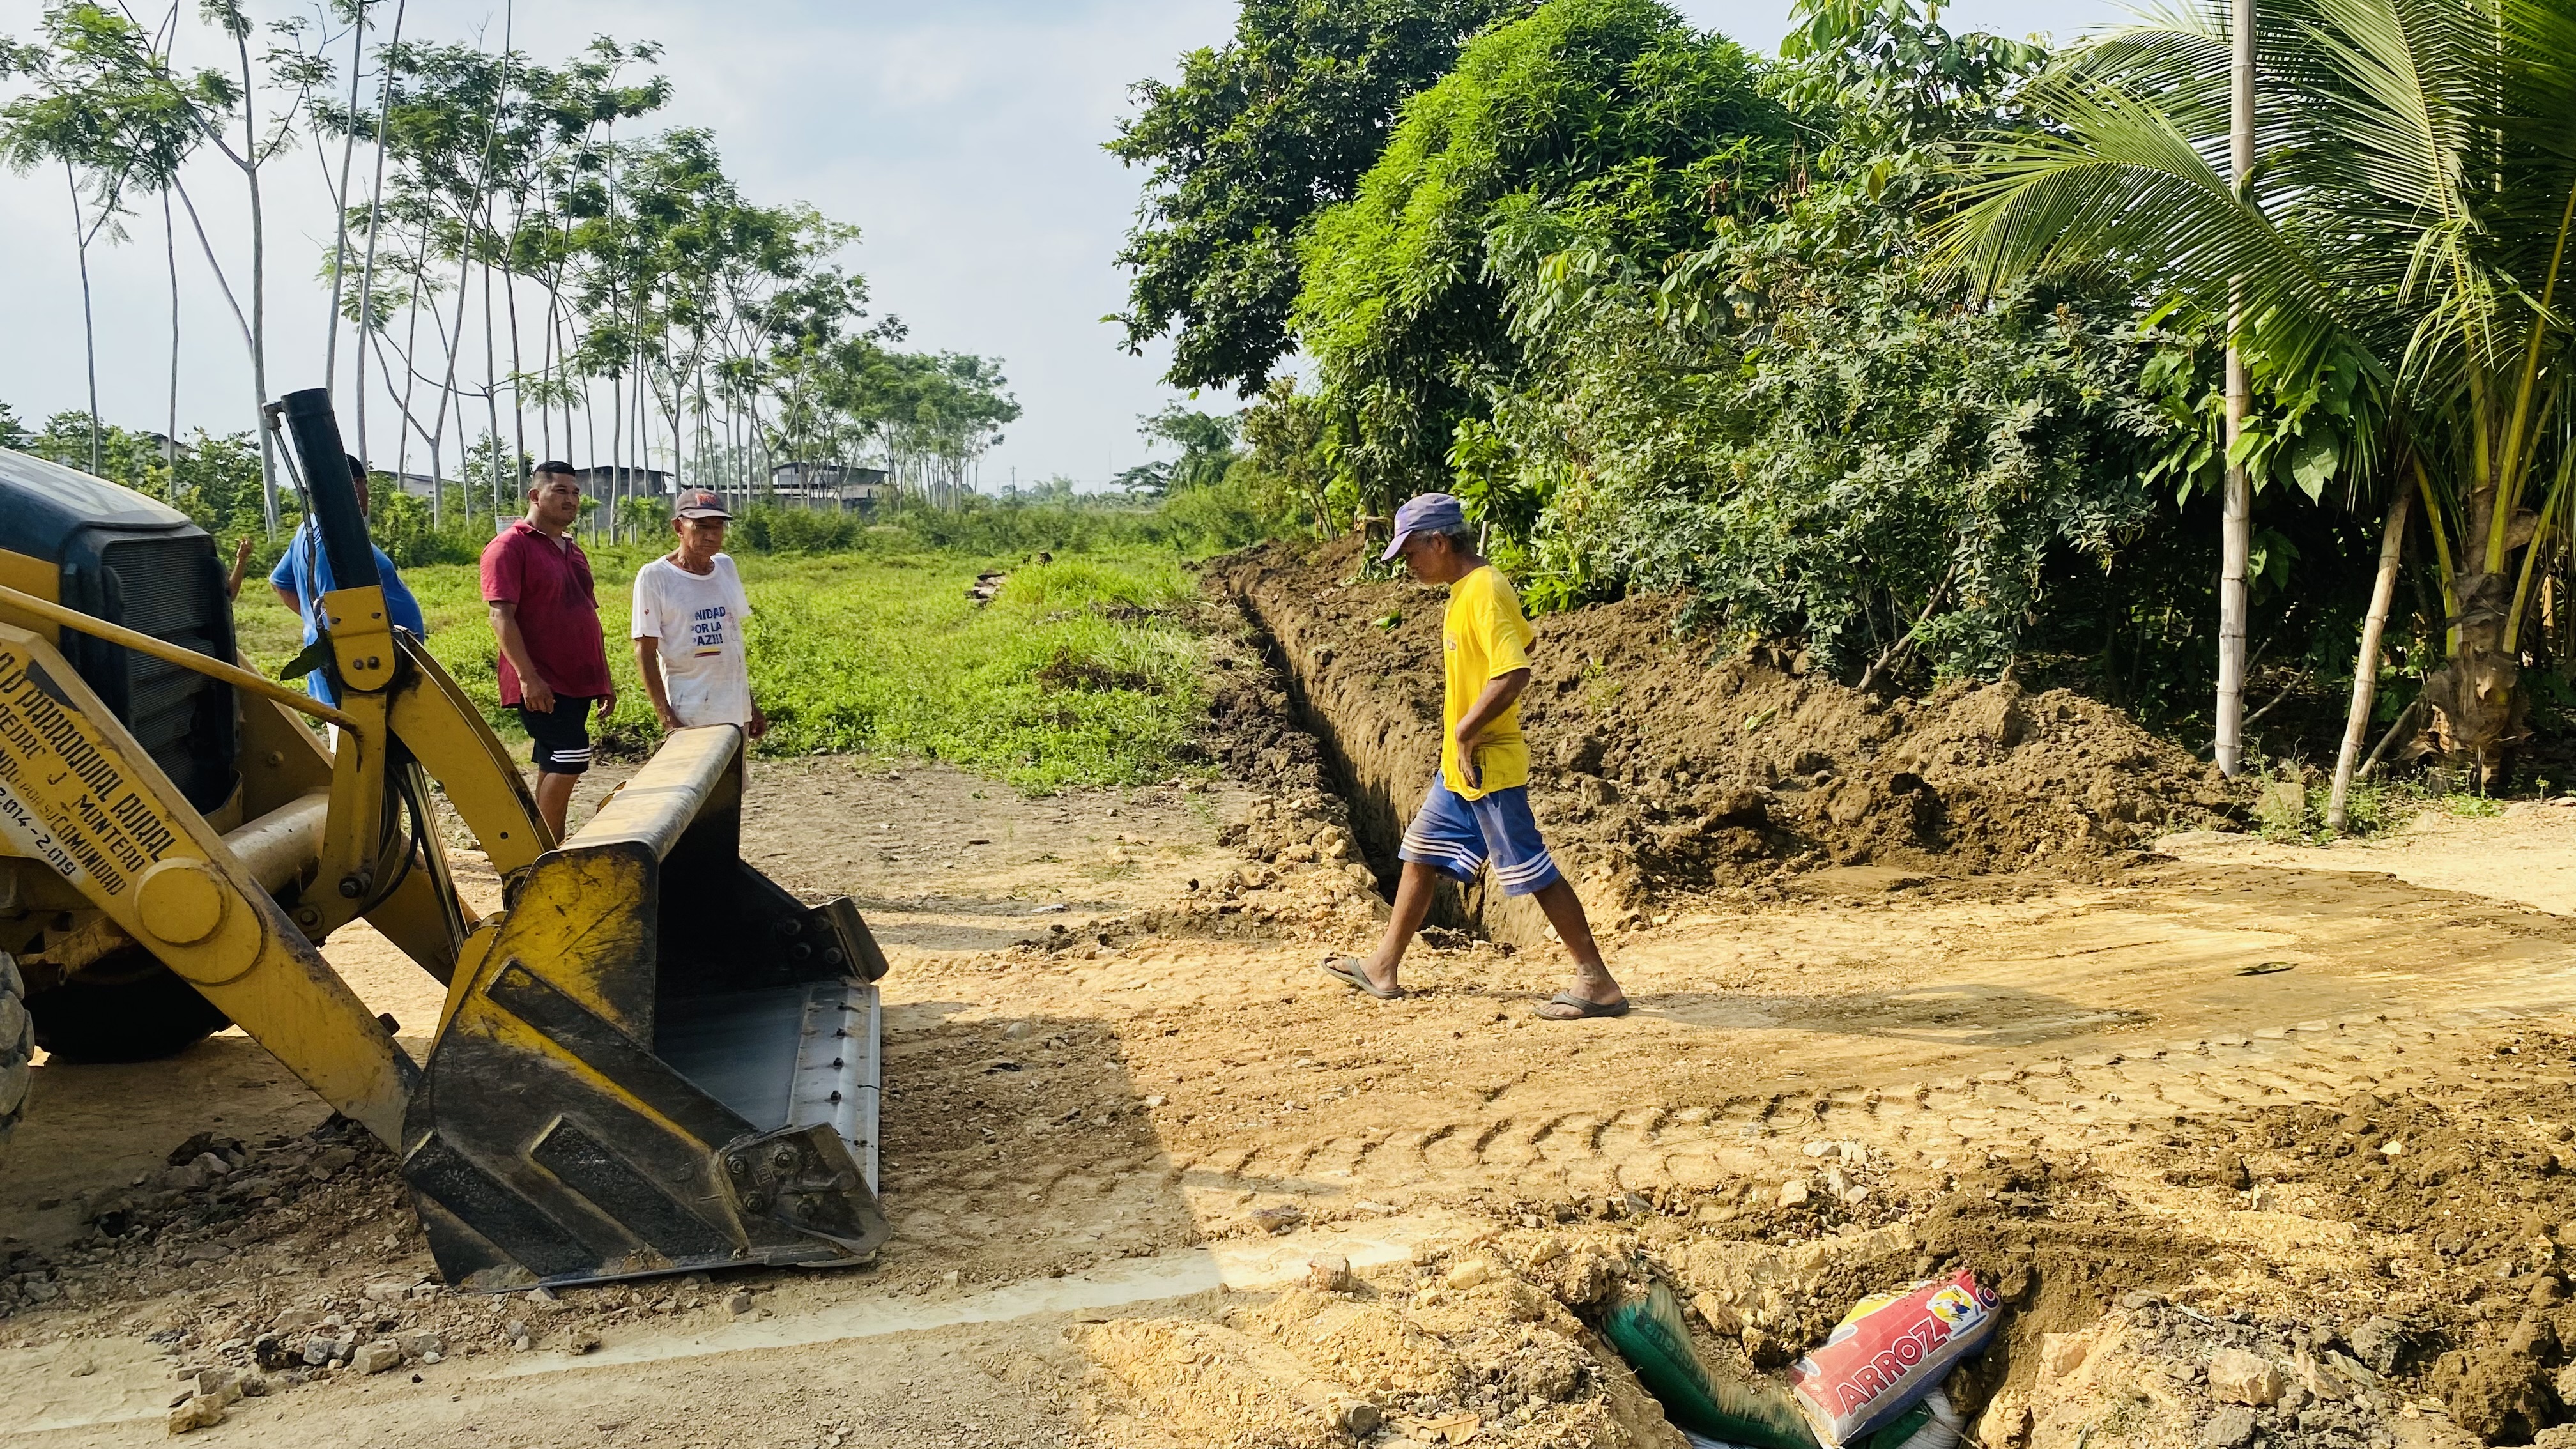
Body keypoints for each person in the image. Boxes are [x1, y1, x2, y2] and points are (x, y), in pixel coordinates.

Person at [1322, 492, 1629, 1020]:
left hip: (1486, 764)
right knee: (1420, 852)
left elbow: (1514, 671)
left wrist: (1466, 730)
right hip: (1460, 768)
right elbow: (1522, 644)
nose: (1408, 565)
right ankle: (1383, 966)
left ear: (1440, 542)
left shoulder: (1483, 590)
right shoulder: (1467, 591)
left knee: (1533, 869)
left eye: (1411, 554)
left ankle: (1596, 981)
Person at [482, 460, 615, 842]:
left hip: (578, 681)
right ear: (535, 496)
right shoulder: (509, 547)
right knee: (571, 758)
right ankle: (546, 853)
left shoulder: (572, 549)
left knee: (554, 760)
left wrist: (603, 679)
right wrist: (528, 677)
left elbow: (587, 614)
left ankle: (543, 848)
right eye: (560, 491)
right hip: (543, 681)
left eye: (575, 493)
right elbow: (501, 616)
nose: (571, 500)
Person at [268, 456, 429, 710]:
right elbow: (341, 614)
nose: (368, 494)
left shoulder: (314, 531)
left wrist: (313, 621)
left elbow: (280, 582)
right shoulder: (331, 542)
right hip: (362, 674)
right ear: (354, 484)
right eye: (365, 484)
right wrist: (322, 625)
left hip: (364, 668)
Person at [631, 489, 767, 738]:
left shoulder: (726, 566)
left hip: (736, 711)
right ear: (678, 527)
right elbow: (645, 652)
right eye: (701, 526)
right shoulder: (655, 577)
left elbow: (731, 644)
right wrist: (668, 721)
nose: (711, 535)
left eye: (718, 527)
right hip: (691, 713)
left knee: (736, 765)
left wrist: (749, 704)